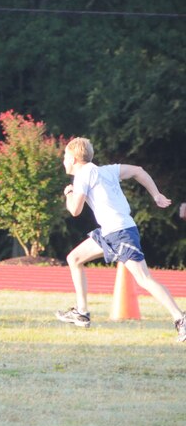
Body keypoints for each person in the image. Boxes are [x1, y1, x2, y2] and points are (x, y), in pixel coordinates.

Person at [55, 137, 186, 342]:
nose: (63, 161)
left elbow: (74, 210)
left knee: (144, 279)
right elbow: (138, 171)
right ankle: (82, 312)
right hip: (110, 231)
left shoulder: (82, 176)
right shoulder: (106, 170)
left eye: (65, 157)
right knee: (75, 258)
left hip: (120, 232)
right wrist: (156, 194)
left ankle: (180, 318)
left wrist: (69, 193)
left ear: (73, 159)